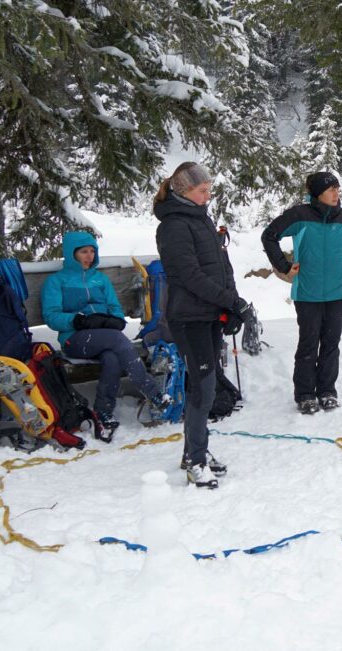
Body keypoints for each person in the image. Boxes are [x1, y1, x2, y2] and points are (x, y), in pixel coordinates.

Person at [155, 161, 250, 488]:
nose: (208, 196)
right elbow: (190, 276)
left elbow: (222, 266)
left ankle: (194, 451)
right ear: (184, 191)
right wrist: (229, 300)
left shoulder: (201, 218)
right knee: (204, 387)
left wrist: (232, 302)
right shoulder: (173, 226)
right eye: (202, 191)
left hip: (209, 314)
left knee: (205, 386)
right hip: (189, 317)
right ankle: (195, 460)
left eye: (209, 190)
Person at [42, 231, 171, 438]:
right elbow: (51, 315)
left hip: (104, 337)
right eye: (84, 251)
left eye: (92, 251)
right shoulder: (57, 281)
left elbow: (115, 309)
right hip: (74, 339)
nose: (89, 256)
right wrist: (77, 320)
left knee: (112, 357)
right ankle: (151, 391)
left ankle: (103, 410)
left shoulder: (100, 279)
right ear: (72, 253)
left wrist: (111, 320)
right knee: (116, 340)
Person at [261, 171, 342, 414]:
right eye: (331, 190)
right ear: (318, 194)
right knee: (308, 345)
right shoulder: (300, 215)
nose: (337, 194)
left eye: (338, 189)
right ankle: (305, 394)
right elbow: (269, 236)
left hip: (337, 295)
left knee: (331, 345)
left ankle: (327, 391)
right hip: (307, 294)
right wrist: (284, 266)